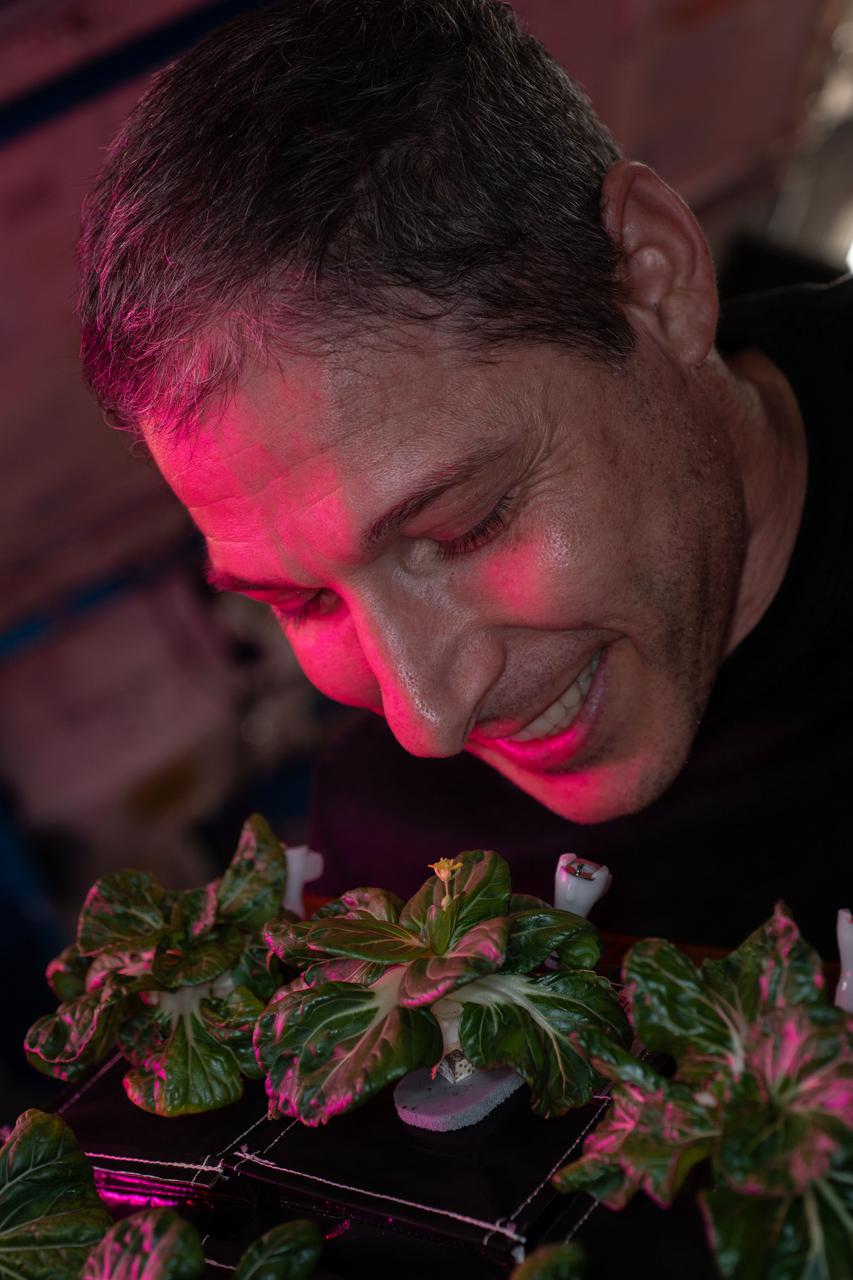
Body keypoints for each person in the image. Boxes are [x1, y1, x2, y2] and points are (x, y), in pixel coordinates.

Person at [77, 0, 850, 954]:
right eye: (309, 602)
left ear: (653, 277)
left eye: (464, 528)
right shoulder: (410, 877)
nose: (428, 719)